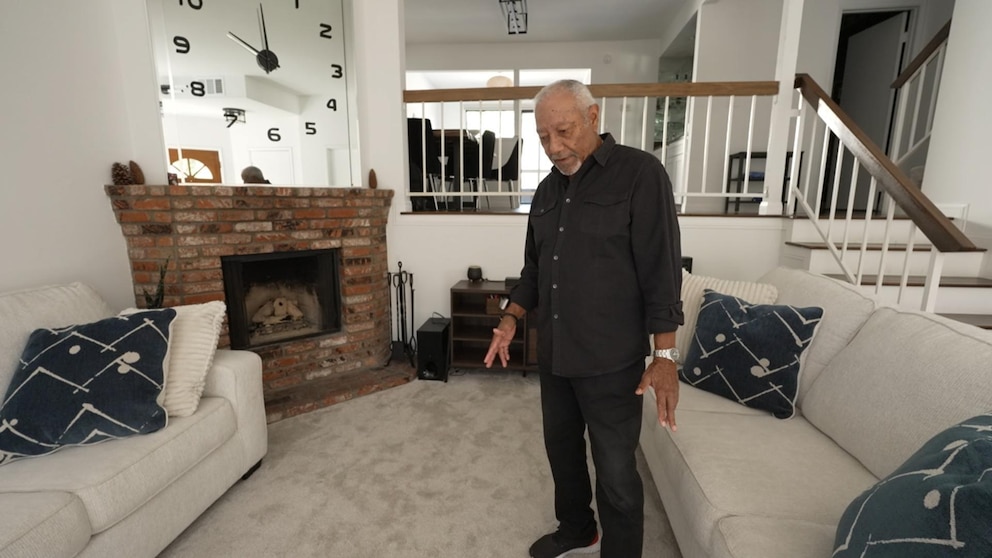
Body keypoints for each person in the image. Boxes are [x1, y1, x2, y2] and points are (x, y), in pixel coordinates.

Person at [484, 80, 683, 558]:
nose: (554, 147)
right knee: (564, 455)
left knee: (616, 472)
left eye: (564, 131)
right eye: (544, 136)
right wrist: (511, 316)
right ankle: (577, 529)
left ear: (593, 119)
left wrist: (665, 355)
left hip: (612, 361)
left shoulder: (640, 174)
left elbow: (661, 269)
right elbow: (534, 270)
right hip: (555, 355)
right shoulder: (547, 192)